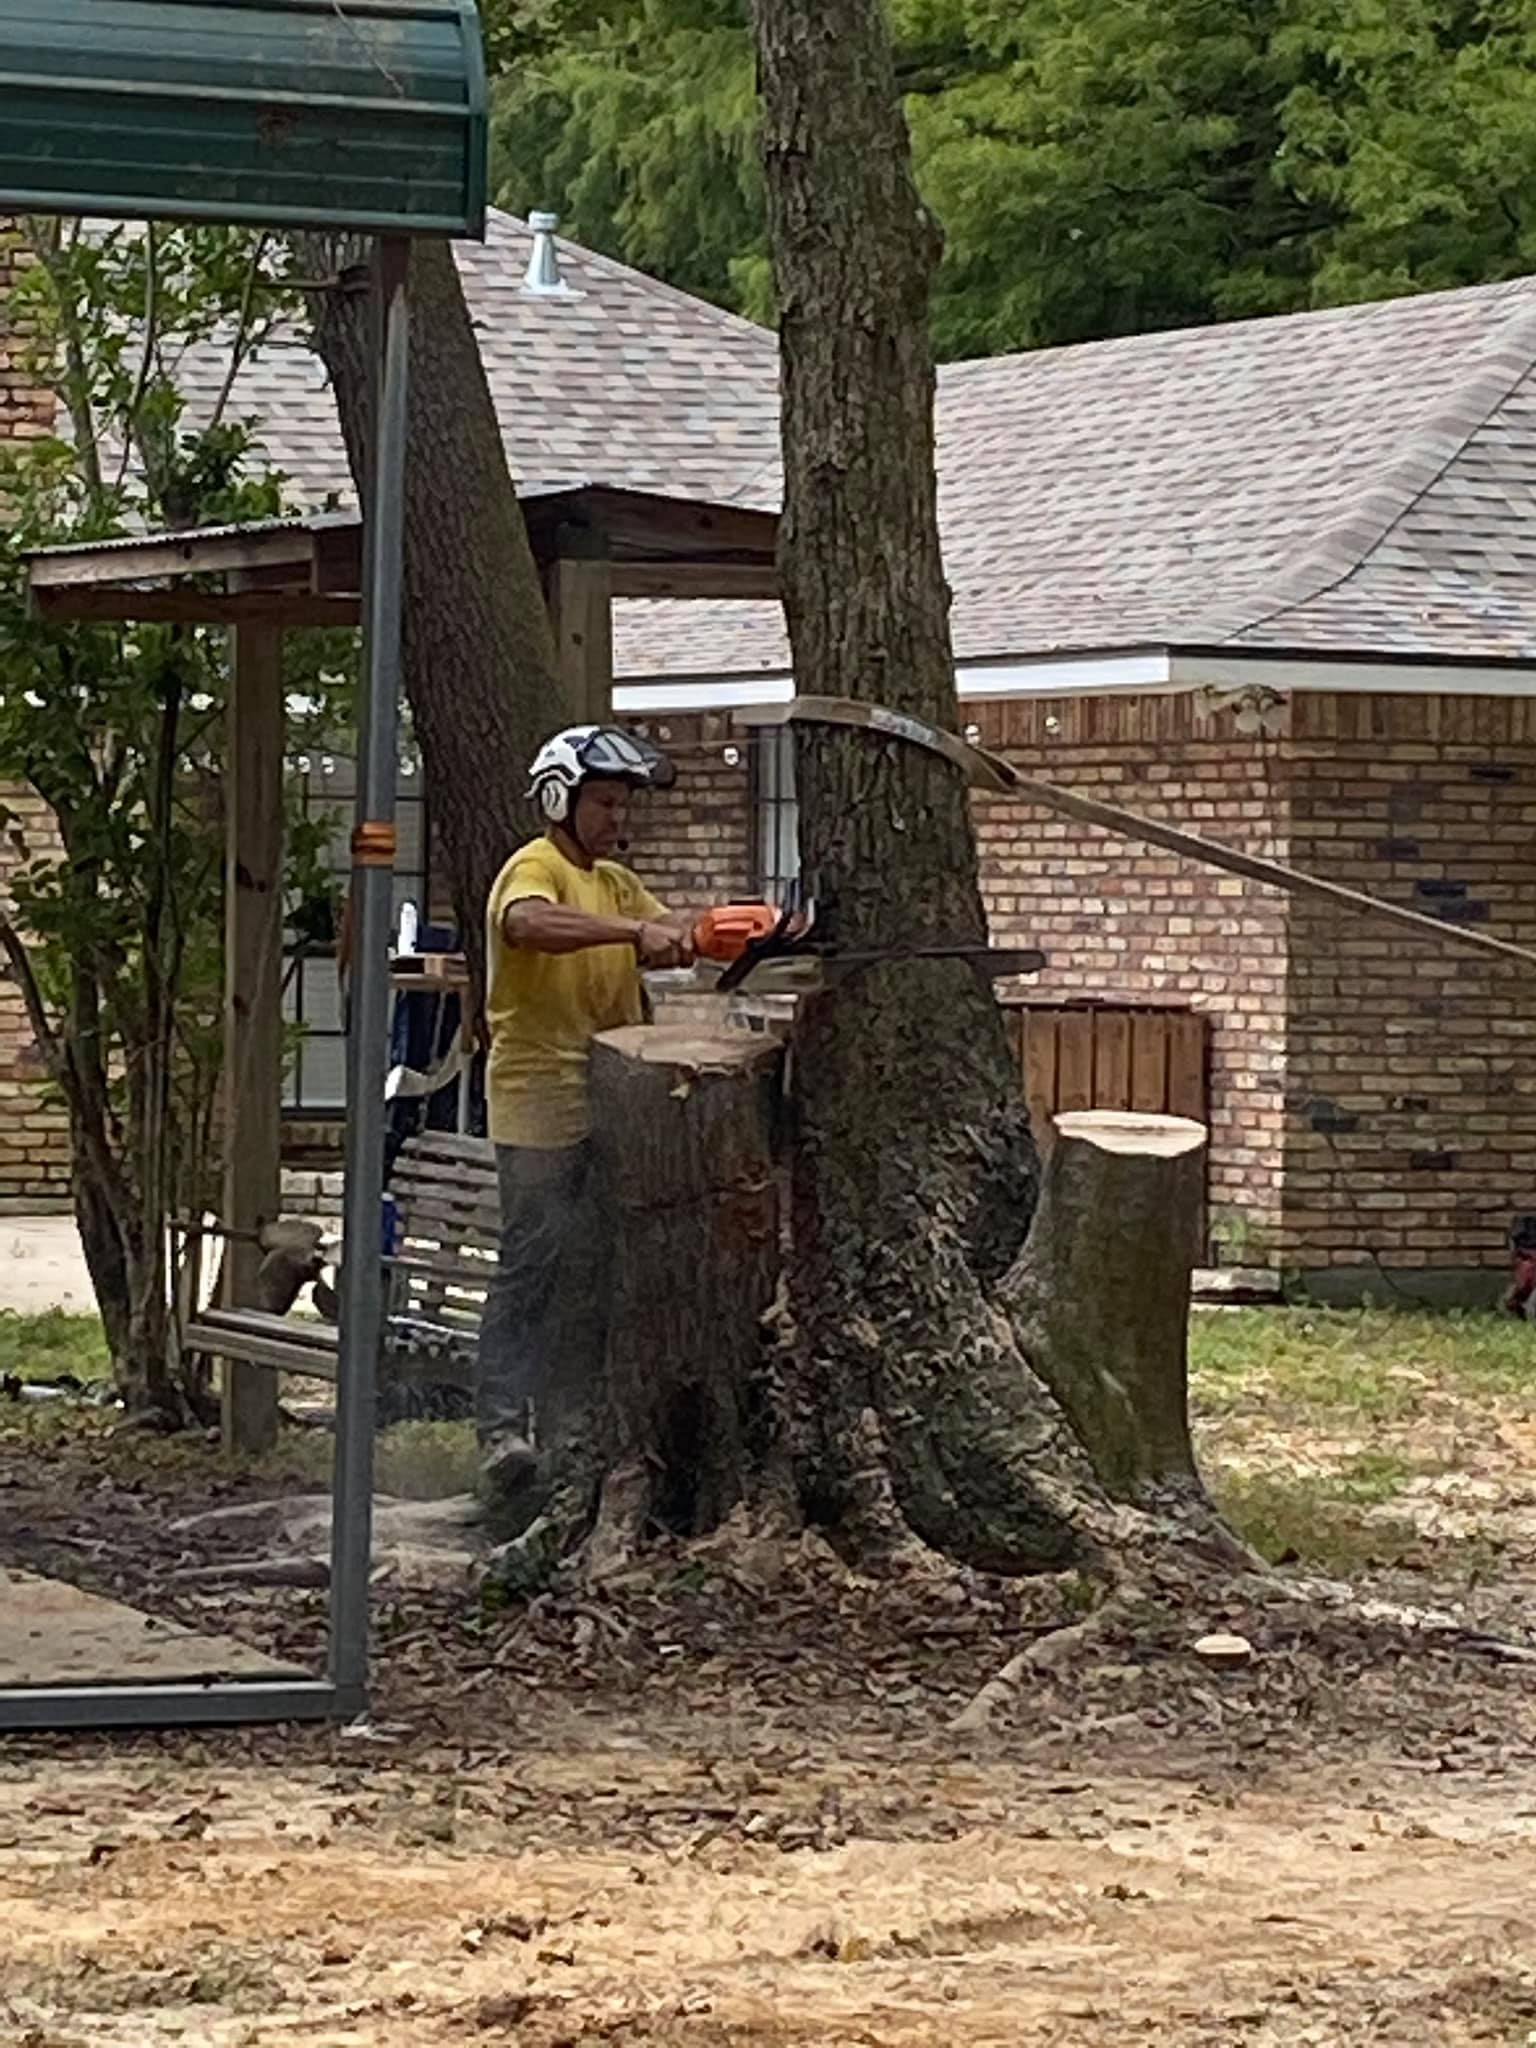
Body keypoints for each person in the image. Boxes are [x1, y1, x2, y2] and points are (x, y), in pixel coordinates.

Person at [477, 724, 694, 1491]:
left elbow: (671, 929)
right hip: (539, 1098)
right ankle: (501, 1431)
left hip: (609, 1100)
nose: (615, 820)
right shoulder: (534, 869)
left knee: (593, 1267)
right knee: (532, 1264)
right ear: (558, 798)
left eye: (621, 804)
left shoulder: (615, 882)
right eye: (602, 802)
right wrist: (636, 932)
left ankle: (572, 1425)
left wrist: (740, 933)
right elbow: (526, 924)